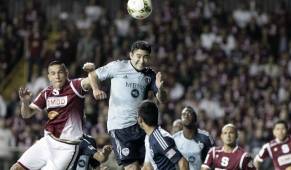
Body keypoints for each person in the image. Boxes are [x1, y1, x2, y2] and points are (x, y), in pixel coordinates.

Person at [10, 61, 109, 170]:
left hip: (67, 148)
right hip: (47, 142)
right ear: (49, 76)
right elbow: (26, 114)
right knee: (16, 168)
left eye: (60, 72)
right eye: (53, 73)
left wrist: (94, 82)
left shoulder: (75, 86)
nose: (57, 76)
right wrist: (24, 102)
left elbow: (91, 79)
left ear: (66, 73)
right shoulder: (46, 93)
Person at [86, 40, 167, 170]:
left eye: (145, 57)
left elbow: (161, 99)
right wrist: (95, 89)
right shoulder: (118, 67)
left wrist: (161, 90)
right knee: (132, 167)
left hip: (142, 126)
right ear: (131, 55)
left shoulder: (150, 75)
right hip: (120, 127)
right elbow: (93, 75)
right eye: (138, 56)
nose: (142, 60)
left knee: (147, 167)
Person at [137, 100, 189, 170]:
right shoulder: (149, 137)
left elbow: (182, 162)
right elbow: (147, 167)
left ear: (140, 120)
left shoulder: (160, 139)